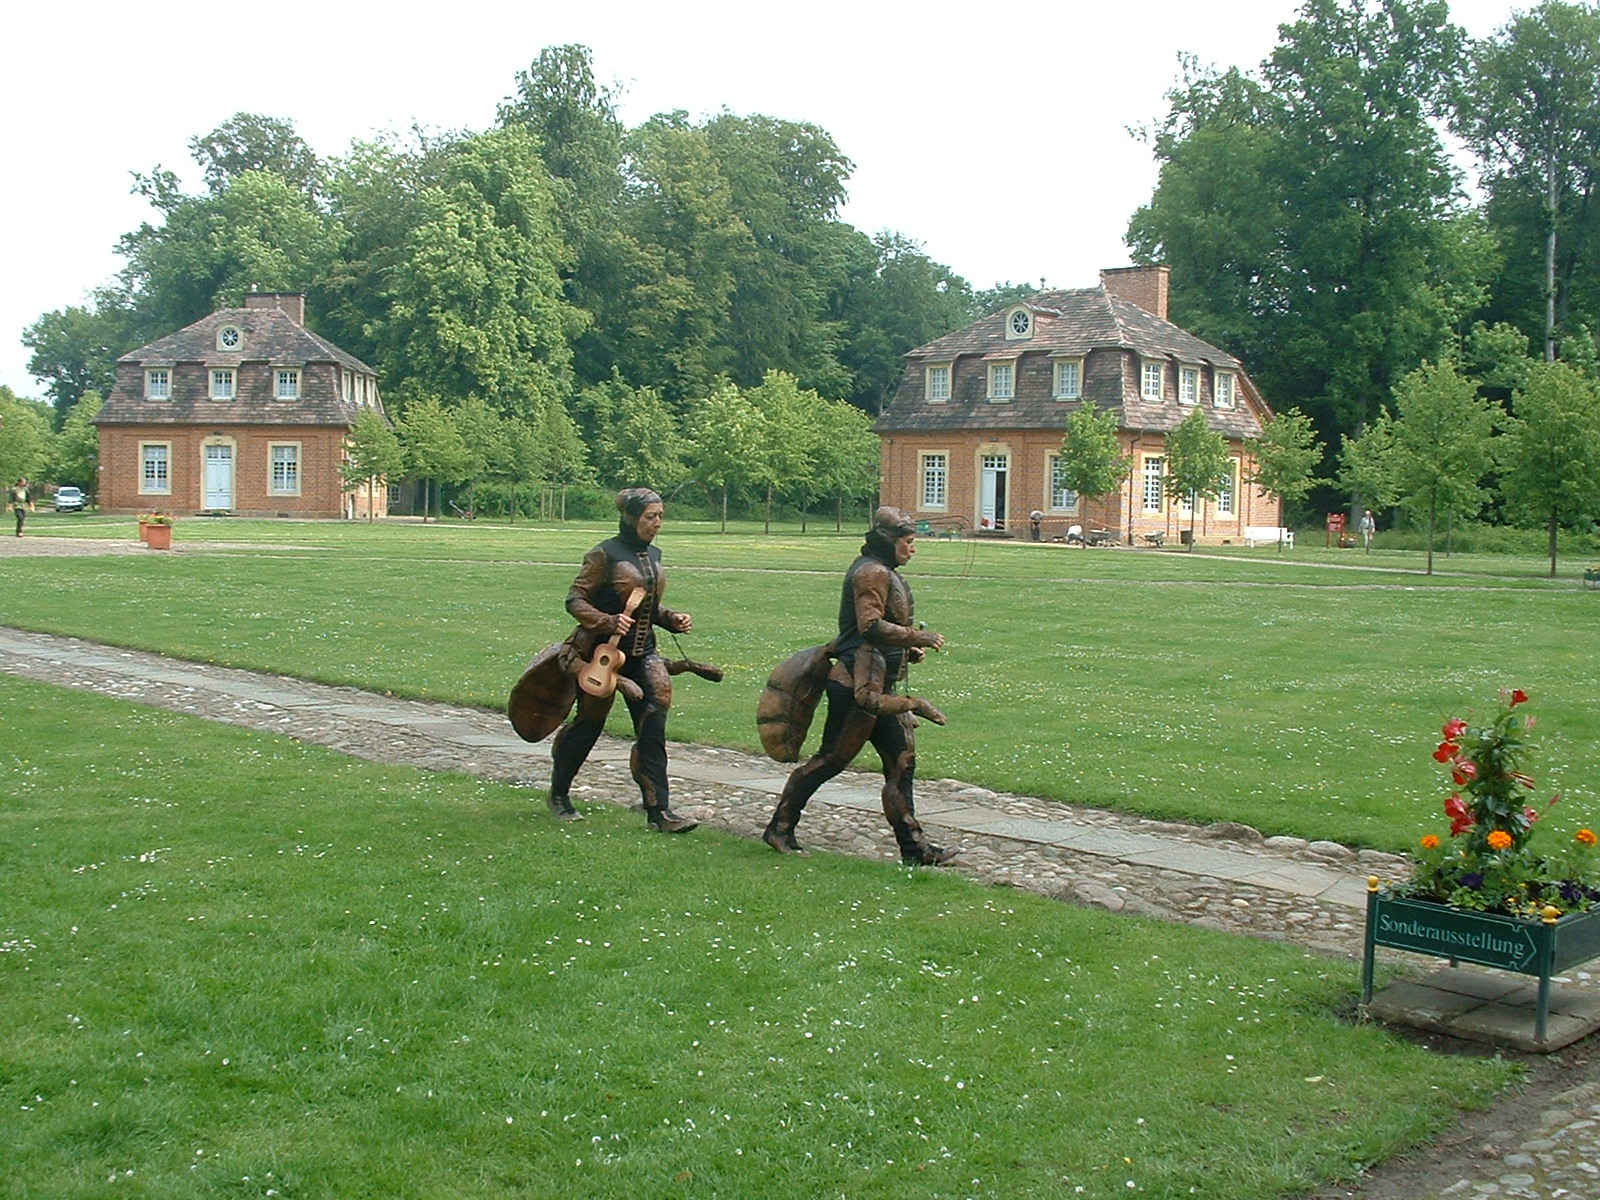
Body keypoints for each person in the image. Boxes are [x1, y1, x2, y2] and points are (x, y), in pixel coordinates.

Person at [762, 506, 956, 866]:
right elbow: (868, 627)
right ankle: (780, 827)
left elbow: (879, 631)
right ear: (889, 541)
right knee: (830, 760)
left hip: (880, 682)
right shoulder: (870, 572)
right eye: (909, 542)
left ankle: (915, 849)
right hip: (858, 685)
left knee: (902, 762)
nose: (913, 549)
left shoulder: (883, 571)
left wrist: (907, 648)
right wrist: (919, 636)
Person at [546, 488, 698, 833]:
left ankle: (659, 811)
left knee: (654, 721)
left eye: (660, 516)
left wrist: (671, 618)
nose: (657, 523)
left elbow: (646, 607)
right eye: (650, 517)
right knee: (589, 725)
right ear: (630, 518)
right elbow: (575, 599)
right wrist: (607, 621)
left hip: (643, 653)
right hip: (600, 654)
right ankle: (558, 793)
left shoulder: (654, 554)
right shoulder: (604, 554)